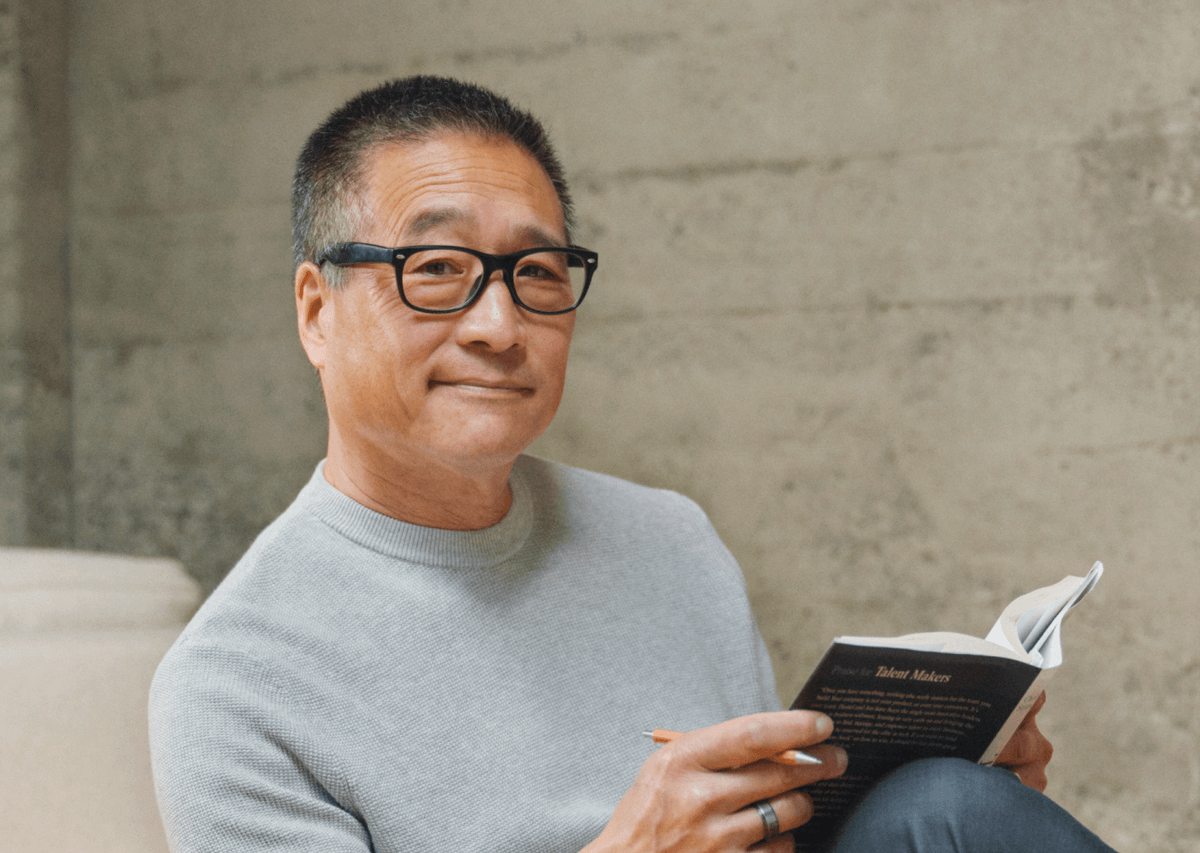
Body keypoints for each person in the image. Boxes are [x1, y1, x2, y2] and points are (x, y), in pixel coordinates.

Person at [148, 75, 1116, 853]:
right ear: (317, 311)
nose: (499, 325)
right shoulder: (235, 686)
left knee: (951, 805)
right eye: (435, 269)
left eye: (536, 274)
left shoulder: (666, 537)